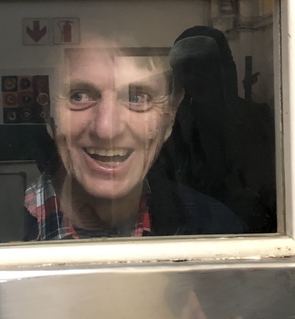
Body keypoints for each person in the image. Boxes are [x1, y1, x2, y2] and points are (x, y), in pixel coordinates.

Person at [24, 35, 244, 241]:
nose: (107, 130)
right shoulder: (3, 228)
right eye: (78, 96)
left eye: (137, 98)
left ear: (170, 116)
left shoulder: (217, 230)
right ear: (48, 113)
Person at [156, 26, 276, 233]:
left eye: (204, 67)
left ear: (223, 70)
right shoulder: (170, 127)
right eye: (187, 69)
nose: (196, 78)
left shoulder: (259, 119)